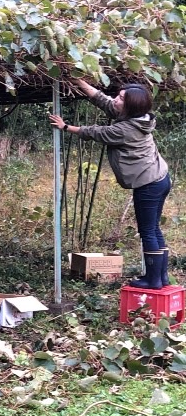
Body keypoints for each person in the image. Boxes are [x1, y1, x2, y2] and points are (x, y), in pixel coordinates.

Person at [49, 80, 171, 290]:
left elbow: (96, 132)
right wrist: (78, 79)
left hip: (149, 182)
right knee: (153, 230)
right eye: (119, 95)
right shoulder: (137, 118)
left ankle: (153, 280)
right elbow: (103, 100)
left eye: (121, 98)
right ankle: (161, 278)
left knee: (148, 232)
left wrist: (65, 126)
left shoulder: (125, 129)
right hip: (160, 177)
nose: (116, 99)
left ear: (130, 106)